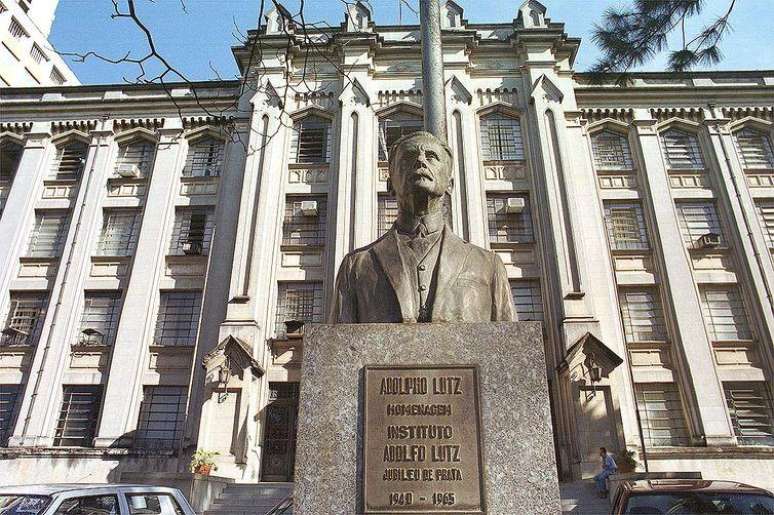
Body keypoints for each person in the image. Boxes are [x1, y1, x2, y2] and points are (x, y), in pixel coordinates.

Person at [329, 131, 514, 323]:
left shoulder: (488, 265)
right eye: (409, 157)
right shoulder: (356, 266)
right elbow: (337, 344)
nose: (420, 161)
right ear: (390, 184)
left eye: (431, 157)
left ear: (450, 184)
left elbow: (511, 343)